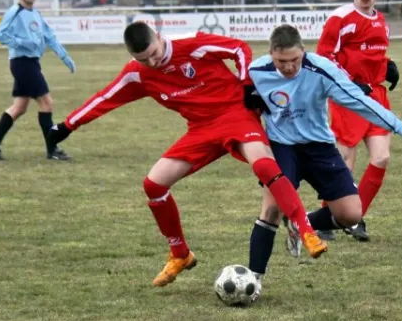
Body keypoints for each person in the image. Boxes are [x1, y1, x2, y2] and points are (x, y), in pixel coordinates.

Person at [48, 22, 329, 287]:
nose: (153, 63)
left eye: (154, 54)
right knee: (154, 184)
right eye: (144, 59)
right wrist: (68, 125)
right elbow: (105, 97)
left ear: (158, 36)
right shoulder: (138, 72)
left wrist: (246, 87)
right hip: (201, 130)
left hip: (236, 116)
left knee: (264, 166)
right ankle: (180, 253)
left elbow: (238, 48)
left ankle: (306, 231)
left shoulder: (192, 44)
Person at [244, 24, 402, 301]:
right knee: (271, 210)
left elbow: (357, 100)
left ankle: (300, 222)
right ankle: (253, 280)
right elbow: (234, 99)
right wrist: (248, 102)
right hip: (281, 147)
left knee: (350, 214)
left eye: (295, 60)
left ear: (303, 52)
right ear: (270, 54)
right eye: (282, 61)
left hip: (319, 147)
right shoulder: (256, 72)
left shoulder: (319, 69)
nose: (290, 67)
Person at [315, 0, 400, 241]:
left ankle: (355, 217)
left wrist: (388, 66)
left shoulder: (380, 19)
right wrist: (349, 83)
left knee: (382, 157)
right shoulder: (340, 18)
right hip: (349, 97)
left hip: (376, 97)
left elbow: (373, 53)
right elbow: (324, 56)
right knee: (345, 162)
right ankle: (328, 217)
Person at [0, 0, 76, 161]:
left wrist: (65, 57)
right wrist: (22, 43)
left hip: (31, 63)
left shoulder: (36, 14)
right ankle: (52, 149)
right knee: (47, 103)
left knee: (19, 107)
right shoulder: (15, 12)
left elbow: (50, 37)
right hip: (22, 62)